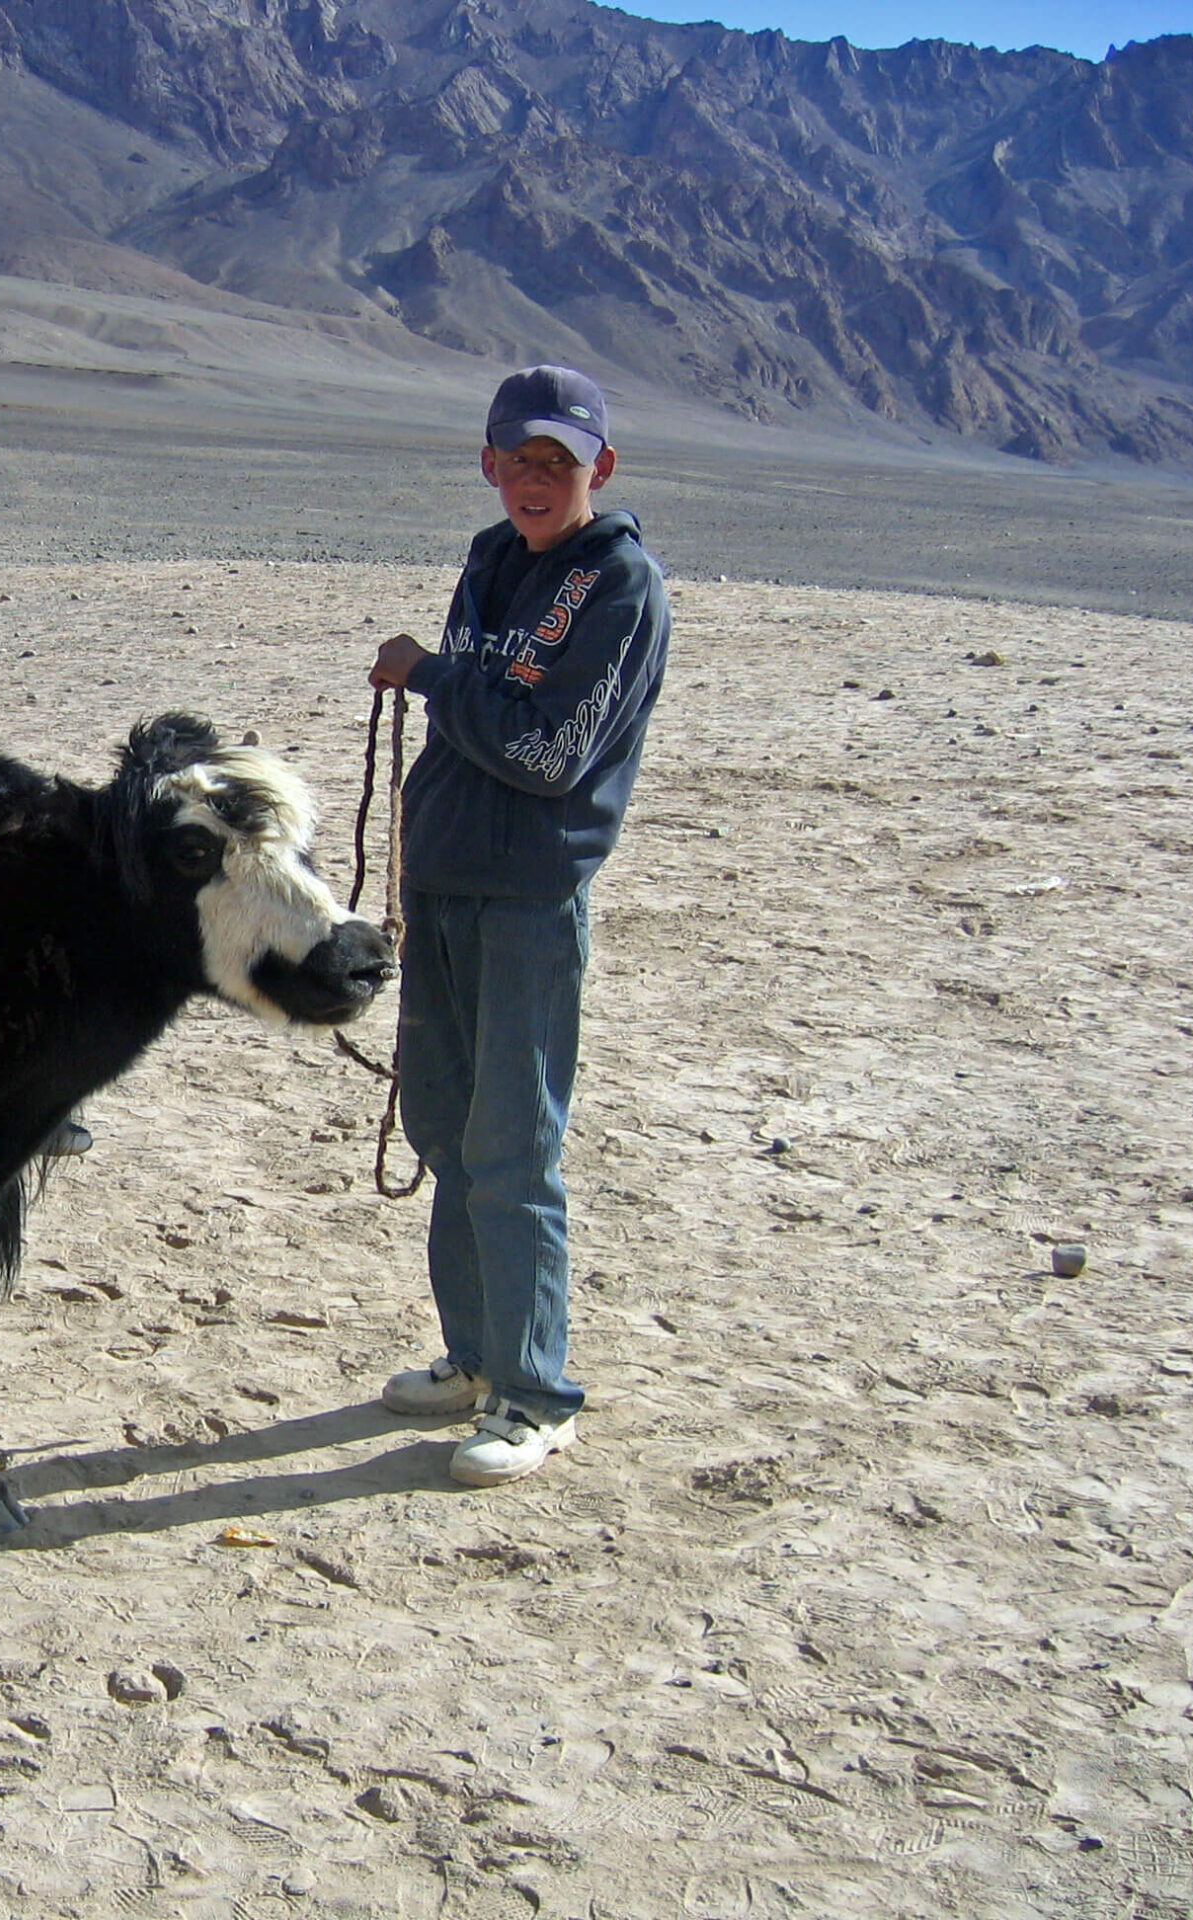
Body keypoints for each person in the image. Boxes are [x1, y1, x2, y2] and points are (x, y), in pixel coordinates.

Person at [366, 365, 670, 1485]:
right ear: (487, 464)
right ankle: (475, 1355)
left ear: (600, 467)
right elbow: (493, 714)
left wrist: (434, 676)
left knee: (513, 1146)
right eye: (518, 461)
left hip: (531, 895)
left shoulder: (620, 585)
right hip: (446, 879)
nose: (536, 481)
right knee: (445, 1128)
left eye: (558, 462)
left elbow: (550, 754)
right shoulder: (493, 558)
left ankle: (537, 1393)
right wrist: (449, 686)